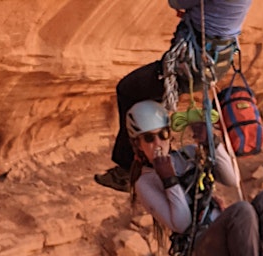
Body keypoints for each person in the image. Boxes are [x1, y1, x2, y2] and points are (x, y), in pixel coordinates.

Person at [95, 0, 253, 192]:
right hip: (214, 57)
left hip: (193, 61)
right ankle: (155, 158)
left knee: (129, 89)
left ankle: (131, 168)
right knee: (151, 96)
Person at [126, 100, 263, 256]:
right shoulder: (145, 183)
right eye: (148, 138)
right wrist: (169, 181)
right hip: (199, 243)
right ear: (138, 144)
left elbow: (231, 179)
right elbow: (182, 224)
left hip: (220, 227)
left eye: (163, 134)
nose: (158, 143)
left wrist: (211, 142)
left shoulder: (188, 153)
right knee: (242, 211)